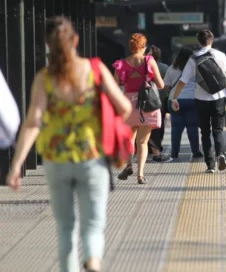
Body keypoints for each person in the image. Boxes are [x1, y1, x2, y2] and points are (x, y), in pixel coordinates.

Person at [6, 17, 132, 272]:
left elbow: (33, 123)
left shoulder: (44, 78)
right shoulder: (95, 69)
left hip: (56, 161)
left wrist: (16, 166)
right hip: (92, 157)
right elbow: (125, 107)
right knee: (93, 223)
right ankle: (94, 260)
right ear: (75, 40)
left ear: (48, 45)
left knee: (65, 228)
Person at [171, 30, 226, 174]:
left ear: (198, 41)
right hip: (219, 97)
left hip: (201, 99)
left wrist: (174, 98)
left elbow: (183, 80)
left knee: (205, 132)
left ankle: (210, 165)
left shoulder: (193, 58)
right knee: (218, 130)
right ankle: (220, 154)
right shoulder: (221, 55)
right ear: (212, 40)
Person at [114, 33, 169, 185]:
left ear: (131, 47)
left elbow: (115, 86)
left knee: (130, 139)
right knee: (143, 142)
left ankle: (129, 165)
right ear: (143, 47)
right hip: (147, 104)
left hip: (129, 104)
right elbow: (160, 85)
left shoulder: (121, 64)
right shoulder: (149, 61)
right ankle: (140, 175)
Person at [164, 46, 202, 159]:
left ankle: (174, 152)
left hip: (175, 100)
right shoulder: (195, 68)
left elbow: (166, 86)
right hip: (191, 99)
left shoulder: (171, 68)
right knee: (192, 126)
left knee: (176, 127)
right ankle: (196, 151)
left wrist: (171, 94)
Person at [148, 45, 169, 155]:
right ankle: (157, 145)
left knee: (146, 123)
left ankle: (148, 145)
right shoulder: (164, 67)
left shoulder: (143, 66)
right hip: (160, 99)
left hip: (146, 97)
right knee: (159, 124)